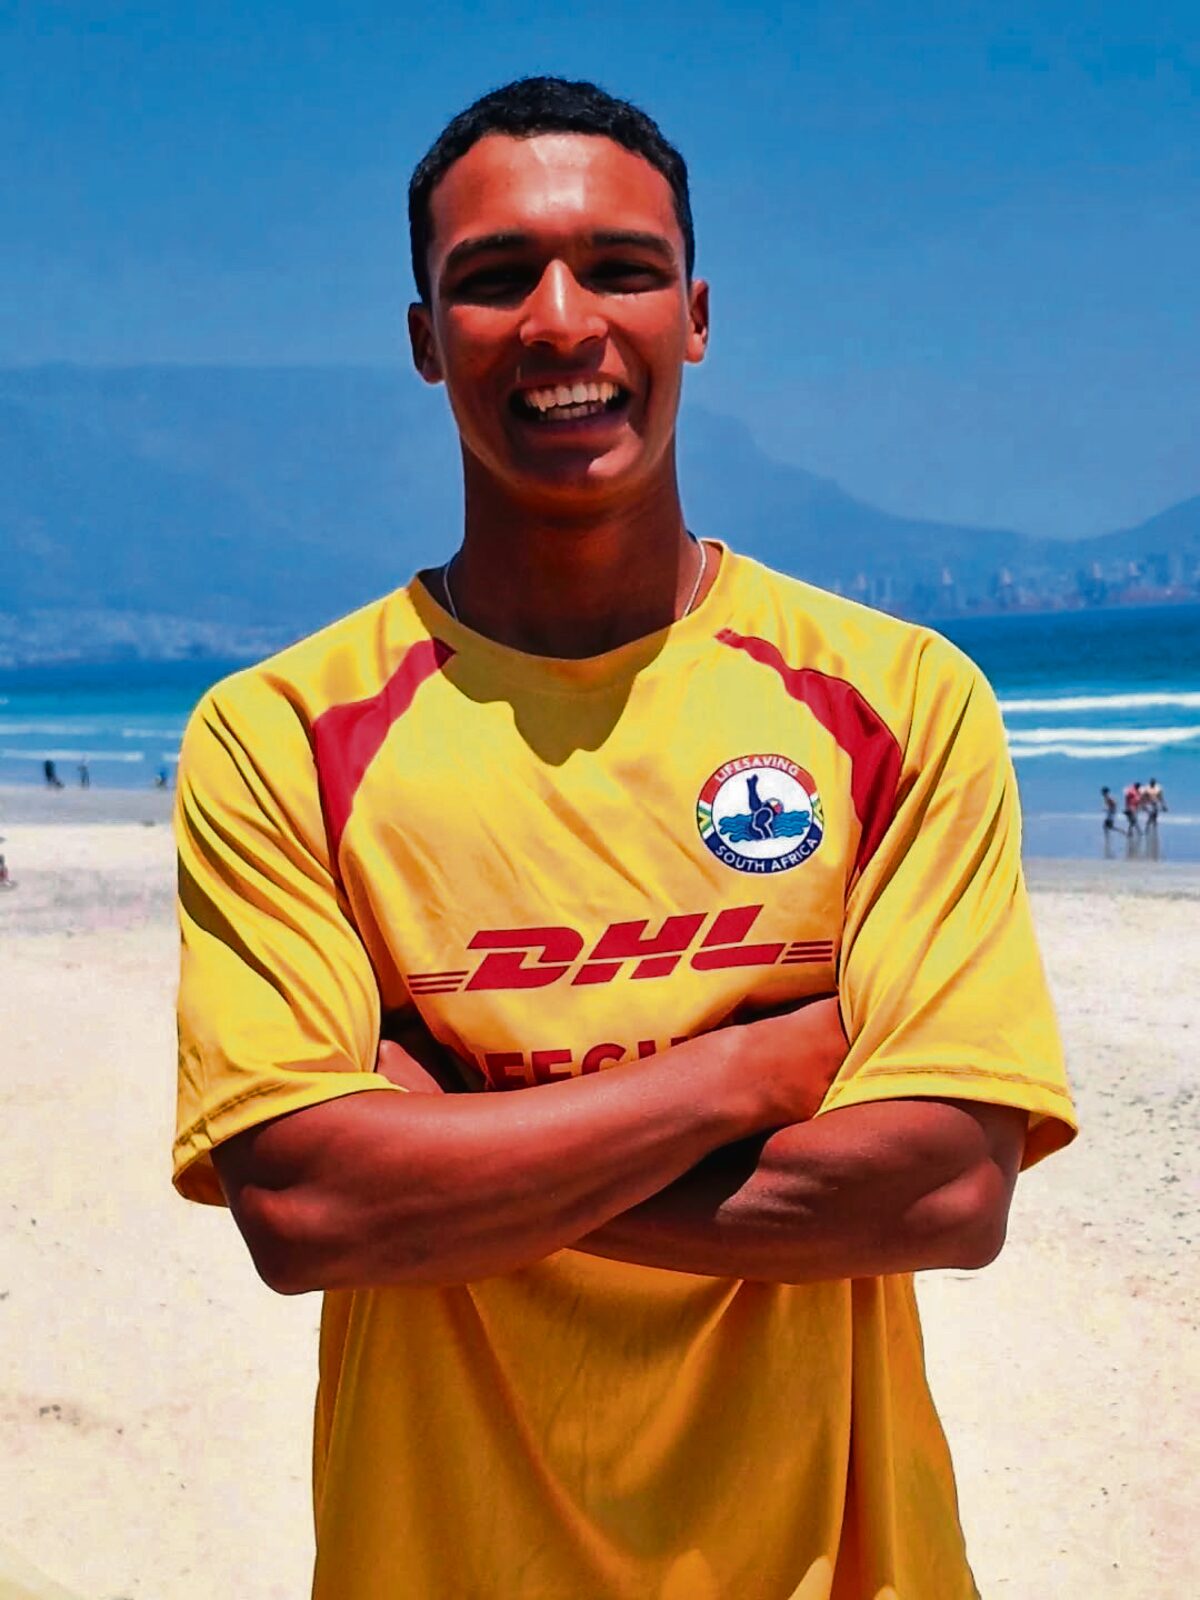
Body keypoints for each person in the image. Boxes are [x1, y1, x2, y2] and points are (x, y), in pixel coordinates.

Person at [173, 78, 1076, 1600]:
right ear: (423, 338)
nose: (560, 320)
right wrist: (752, 1071)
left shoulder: (898, 703)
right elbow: (305, 1208)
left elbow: (941, 1193)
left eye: (621, 267)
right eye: (493, 276)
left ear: (698, 316)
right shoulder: (285, 738)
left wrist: (447, 1140)